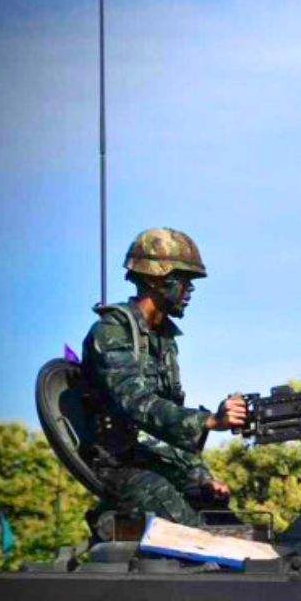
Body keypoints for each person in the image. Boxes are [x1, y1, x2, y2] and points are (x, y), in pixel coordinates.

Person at [81, 227, 246, 530]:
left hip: (153, 459)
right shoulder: (111, 331)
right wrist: (208, 421)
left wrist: (201, 476)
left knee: (232, 529)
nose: (190, 291)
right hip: (118, 466)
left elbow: (164, 431)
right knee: (195, 536)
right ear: (158, 279)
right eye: (185, 281)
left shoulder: (164, 340)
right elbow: (135, 403)